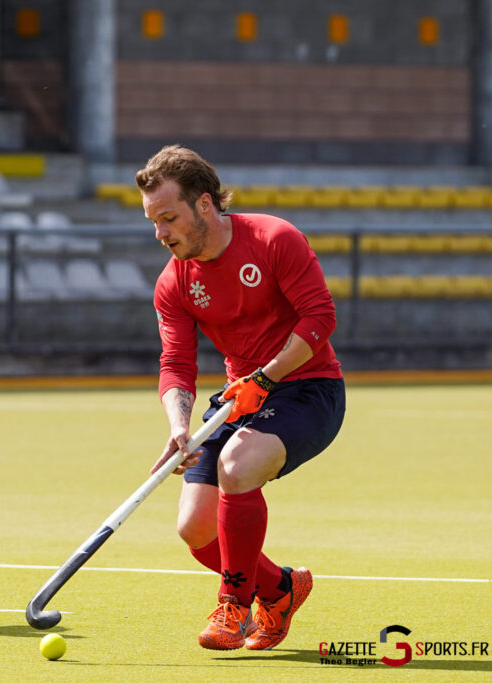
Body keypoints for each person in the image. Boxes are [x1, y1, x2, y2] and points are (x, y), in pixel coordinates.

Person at [138, 145, 344, 651]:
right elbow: (176, 364)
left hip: (308, 388)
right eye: (153, 222)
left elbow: (320, 317)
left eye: (169, 218)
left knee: (237, 464)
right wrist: (179, 427)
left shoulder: (274, 238)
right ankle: (280, 590)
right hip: (240, 397)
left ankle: (233, 605)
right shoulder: (174, 282)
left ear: (204, 204)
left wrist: (265, 379)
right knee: (195, 529)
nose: (160, 233)